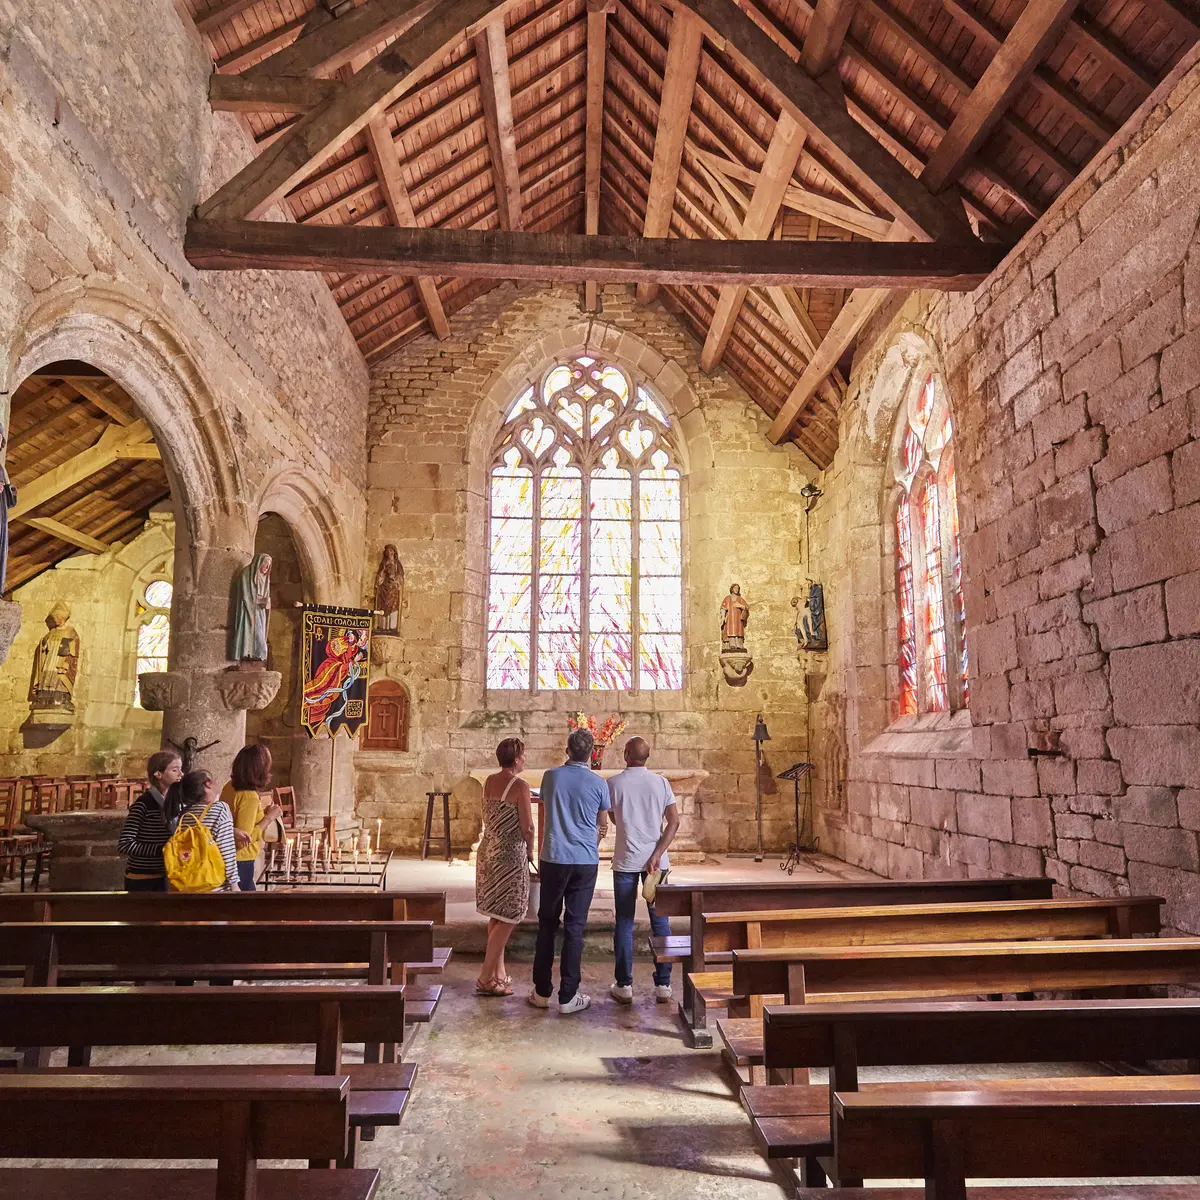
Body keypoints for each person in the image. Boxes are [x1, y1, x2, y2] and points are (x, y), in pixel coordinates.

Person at [528, 727, 611, 1014]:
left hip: (554, 857)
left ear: (567, 750)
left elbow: (545, 803)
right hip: (584, 861)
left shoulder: (551, 777)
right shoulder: (599, 783)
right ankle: (568, 996)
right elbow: (603, 825)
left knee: (547, 924)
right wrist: (592, 840)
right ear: (593, 754)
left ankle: (541, 992)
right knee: (575, 928)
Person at [607, 736, 680, 1004]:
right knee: (661, 922)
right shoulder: (661, 783)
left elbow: (614, 817)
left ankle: (624, 985)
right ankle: (663, 984)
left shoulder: (613, 783)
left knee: (624, 922)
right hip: (657, 863)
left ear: (626, 754)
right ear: (647, 757)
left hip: (626, 860)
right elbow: (674, 822)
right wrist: (657, 854)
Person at [474, 737, 535, 996]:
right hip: (509, 855)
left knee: (496, 914)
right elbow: (528, 827)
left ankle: (498, 974)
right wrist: (531, 849)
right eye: (523, 755)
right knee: (510, 914)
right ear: (517, 758)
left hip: (488, 852)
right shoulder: (520, 786)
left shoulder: (488, 781)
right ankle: (486, 977)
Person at [117, 748, 184, 891]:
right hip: (144, 878)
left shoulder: (175, 802)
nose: (181, 774)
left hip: (168, 873)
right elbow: (125, 844)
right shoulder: (143, 804)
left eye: (181, 769)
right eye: (174, 770)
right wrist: (163, 849)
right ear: (158, 774)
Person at [221, 743, 283, 892]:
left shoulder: (229, 786)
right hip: (241, 861)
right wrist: (268, 817)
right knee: (246, 910)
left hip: (228, 857)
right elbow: (243, 840)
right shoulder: (249, 796)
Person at [165, 769, 238, 892]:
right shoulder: (220, 808)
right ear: (208, 783)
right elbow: (226, 849)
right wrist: (234, 884)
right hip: (214, 886)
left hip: (187, 887)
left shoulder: (185, 815)